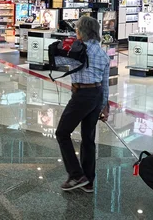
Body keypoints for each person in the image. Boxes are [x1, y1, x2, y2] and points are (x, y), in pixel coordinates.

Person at [54, 16, 109, 192]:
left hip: (82, 95)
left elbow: (57, 61)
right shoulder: (102, 53)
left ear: (82, 32)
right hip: (97, 95)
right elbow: (106, 82)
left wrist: (61, 46)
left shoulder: (80, 50)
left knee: (62, 132)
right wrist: (105, 105)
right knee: (88, 138)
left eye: (77, 29)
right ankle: (89, 181)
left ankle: (76, 175)